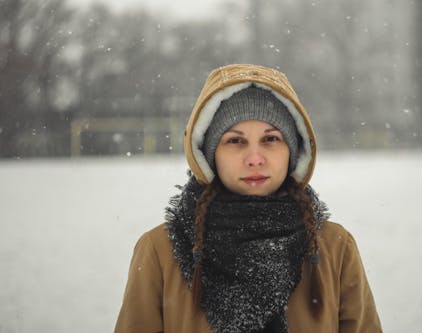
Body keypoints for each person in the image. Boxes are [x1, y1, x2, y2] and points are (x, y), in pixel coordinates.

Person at [115, 64, 382, 333]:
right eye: (235, 141)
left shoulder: (334, 249)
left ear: (292, 151)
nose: (255, 159)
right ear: (209, 156)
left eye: (271, 139)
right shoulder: (160, 251)